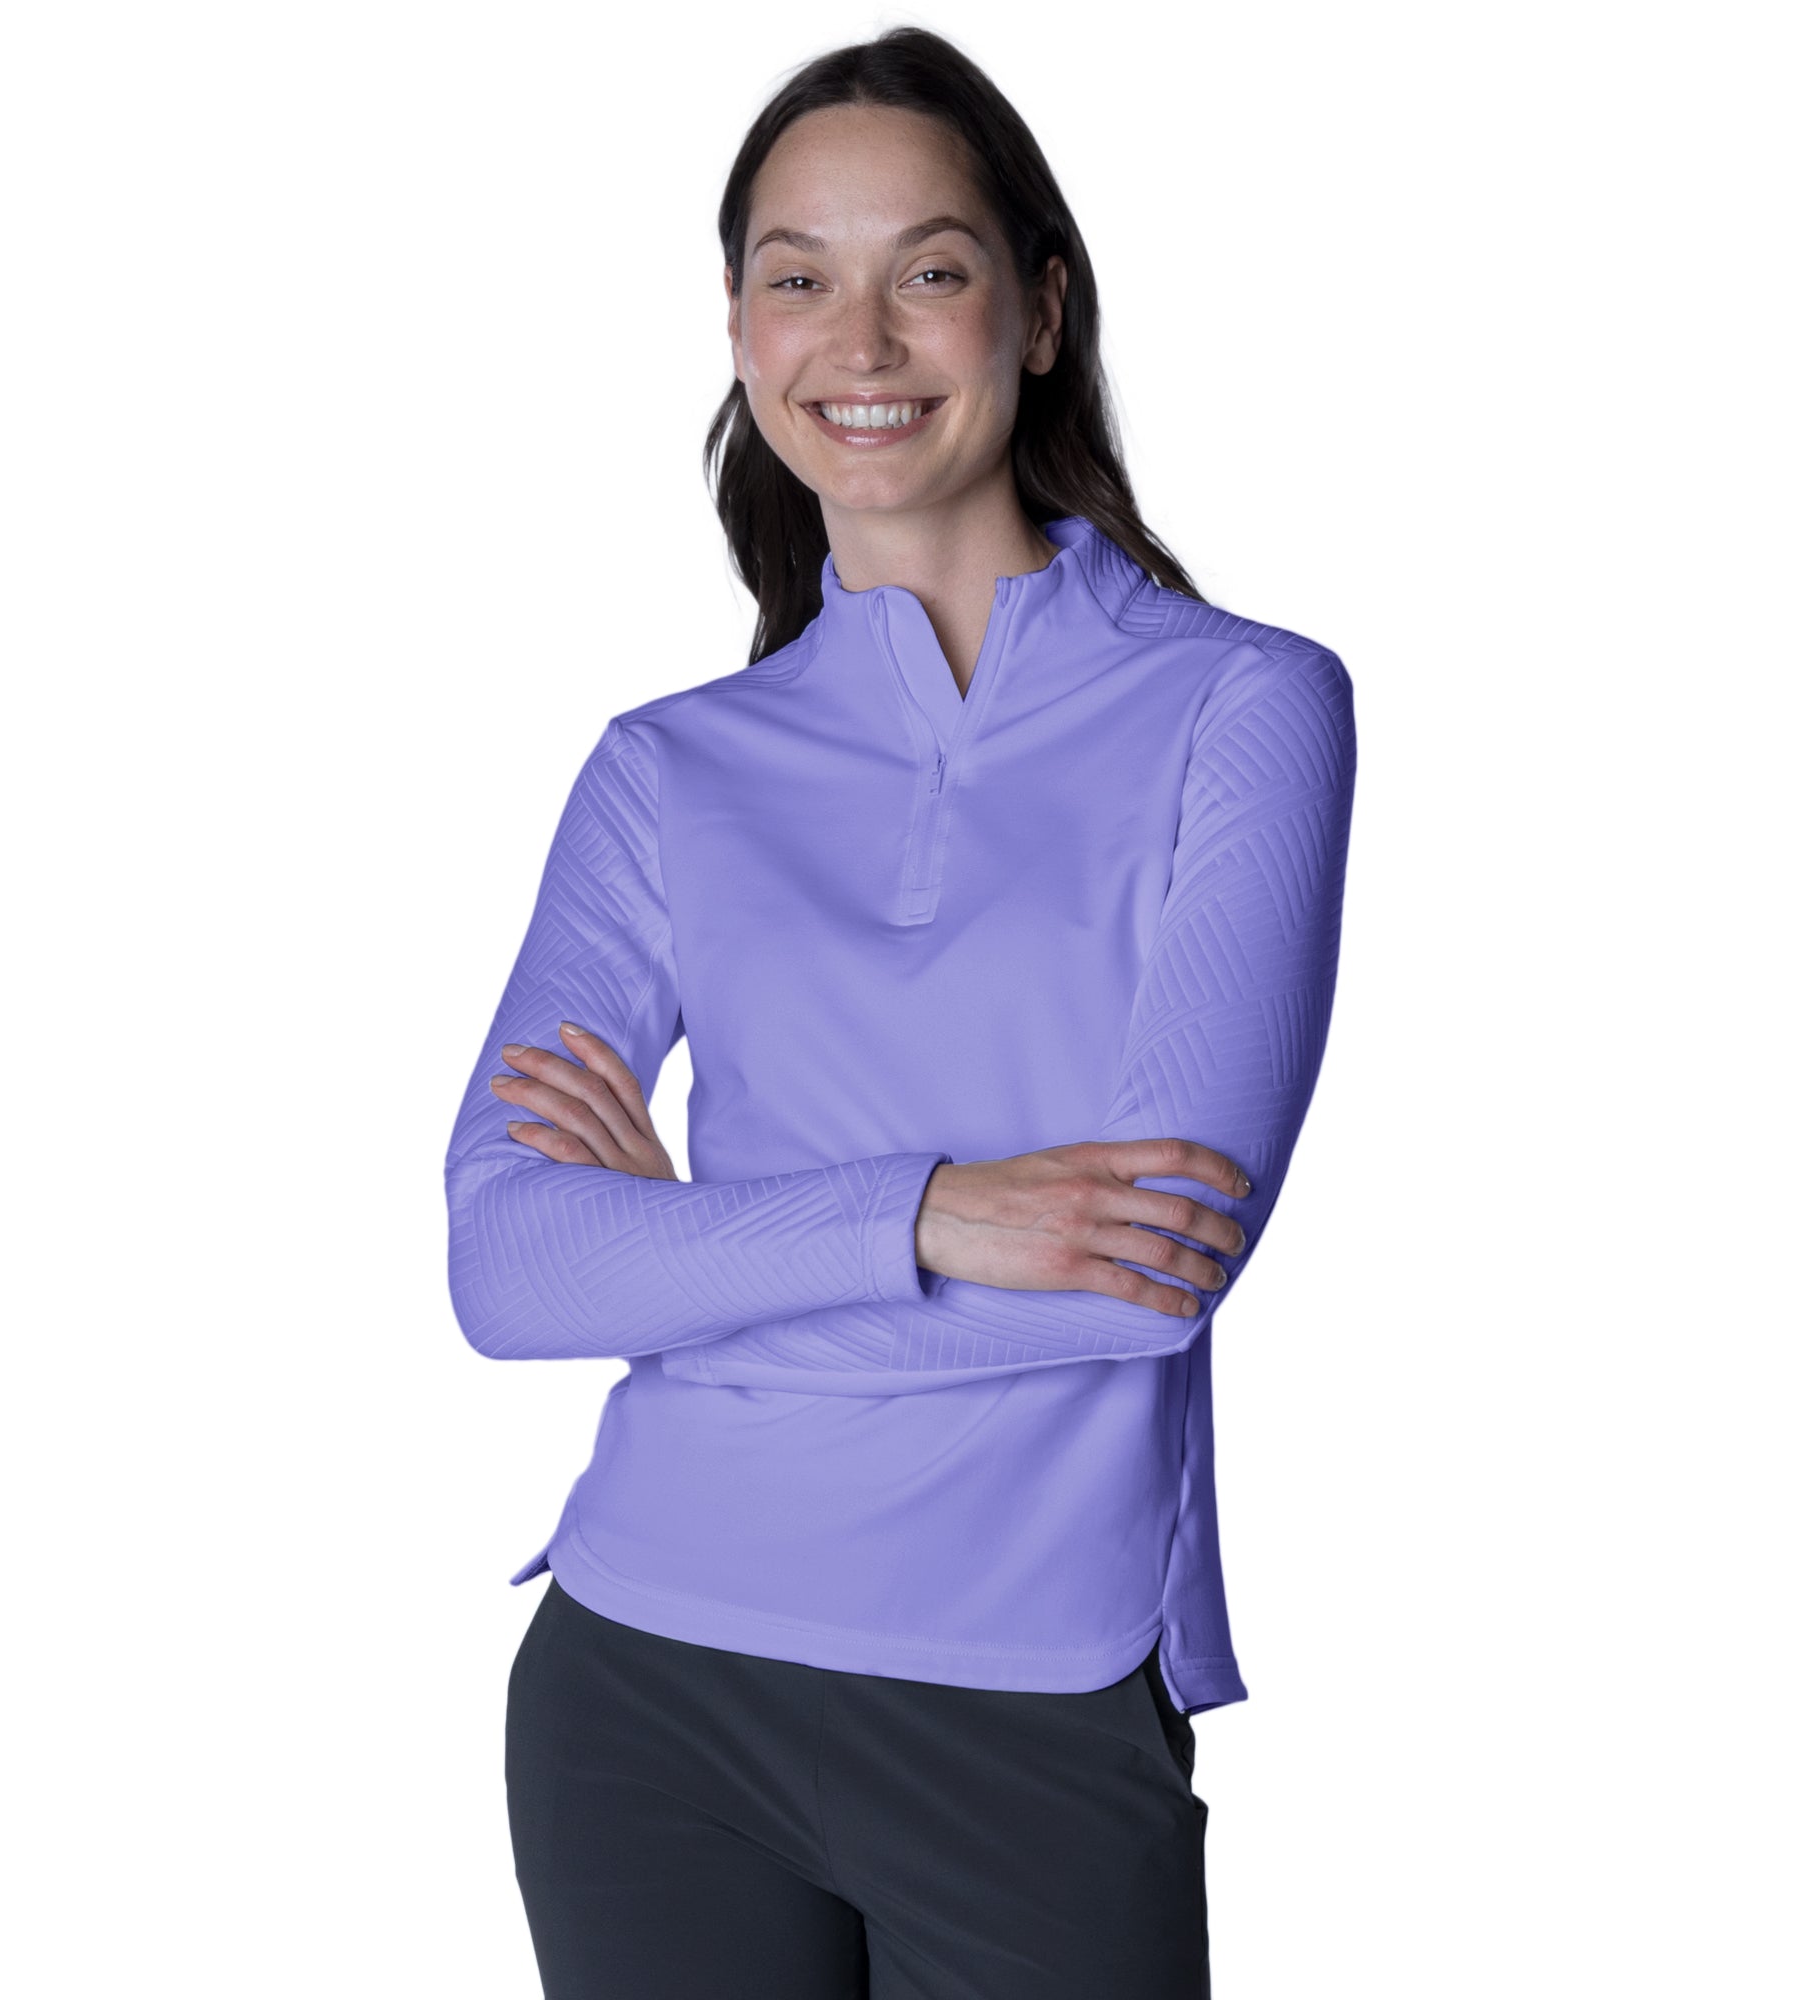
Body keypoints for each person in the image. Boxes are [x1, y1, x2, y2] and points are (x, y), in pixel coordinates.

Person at [443, 25, 1357, 1998]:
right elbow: (508, 1267)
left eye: (928, 269)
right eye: (798, 275)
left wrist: (686, 1253)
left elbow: (1144, 1277)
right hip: (642, 1689)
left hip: (1025, 1703)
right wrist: (933, 1211)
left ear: (1039, 307)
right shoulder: (666, 769)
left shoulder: (1245, 708)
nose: (857, 339)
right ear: (738, 322)